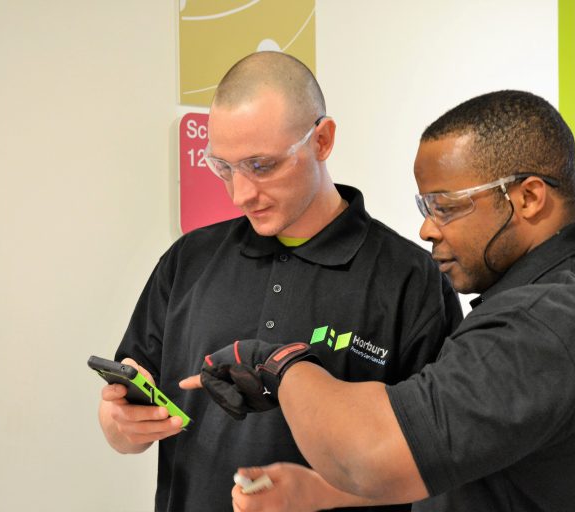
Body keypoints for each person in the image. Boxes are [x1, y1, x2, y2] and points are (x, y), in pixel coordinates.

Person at [182, 90, 575, 511]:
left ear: (529, 197)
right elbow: (470, 458)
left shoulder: (546, 322)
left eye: (446, 207)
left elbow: (370, 454)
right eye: (425, 206)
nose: (427, 228)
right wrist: (317, 491)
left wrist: (279, 364)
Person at [97, 51, 462, 512]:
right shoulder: (188, 261)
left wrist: (319, 494)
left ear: (322, 140)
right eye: (224, 168)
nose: (240, 193)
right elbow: (127, 410)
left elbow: (442, 461)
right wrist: (119, 426)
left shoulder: (411, 280)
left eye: (262, 166)